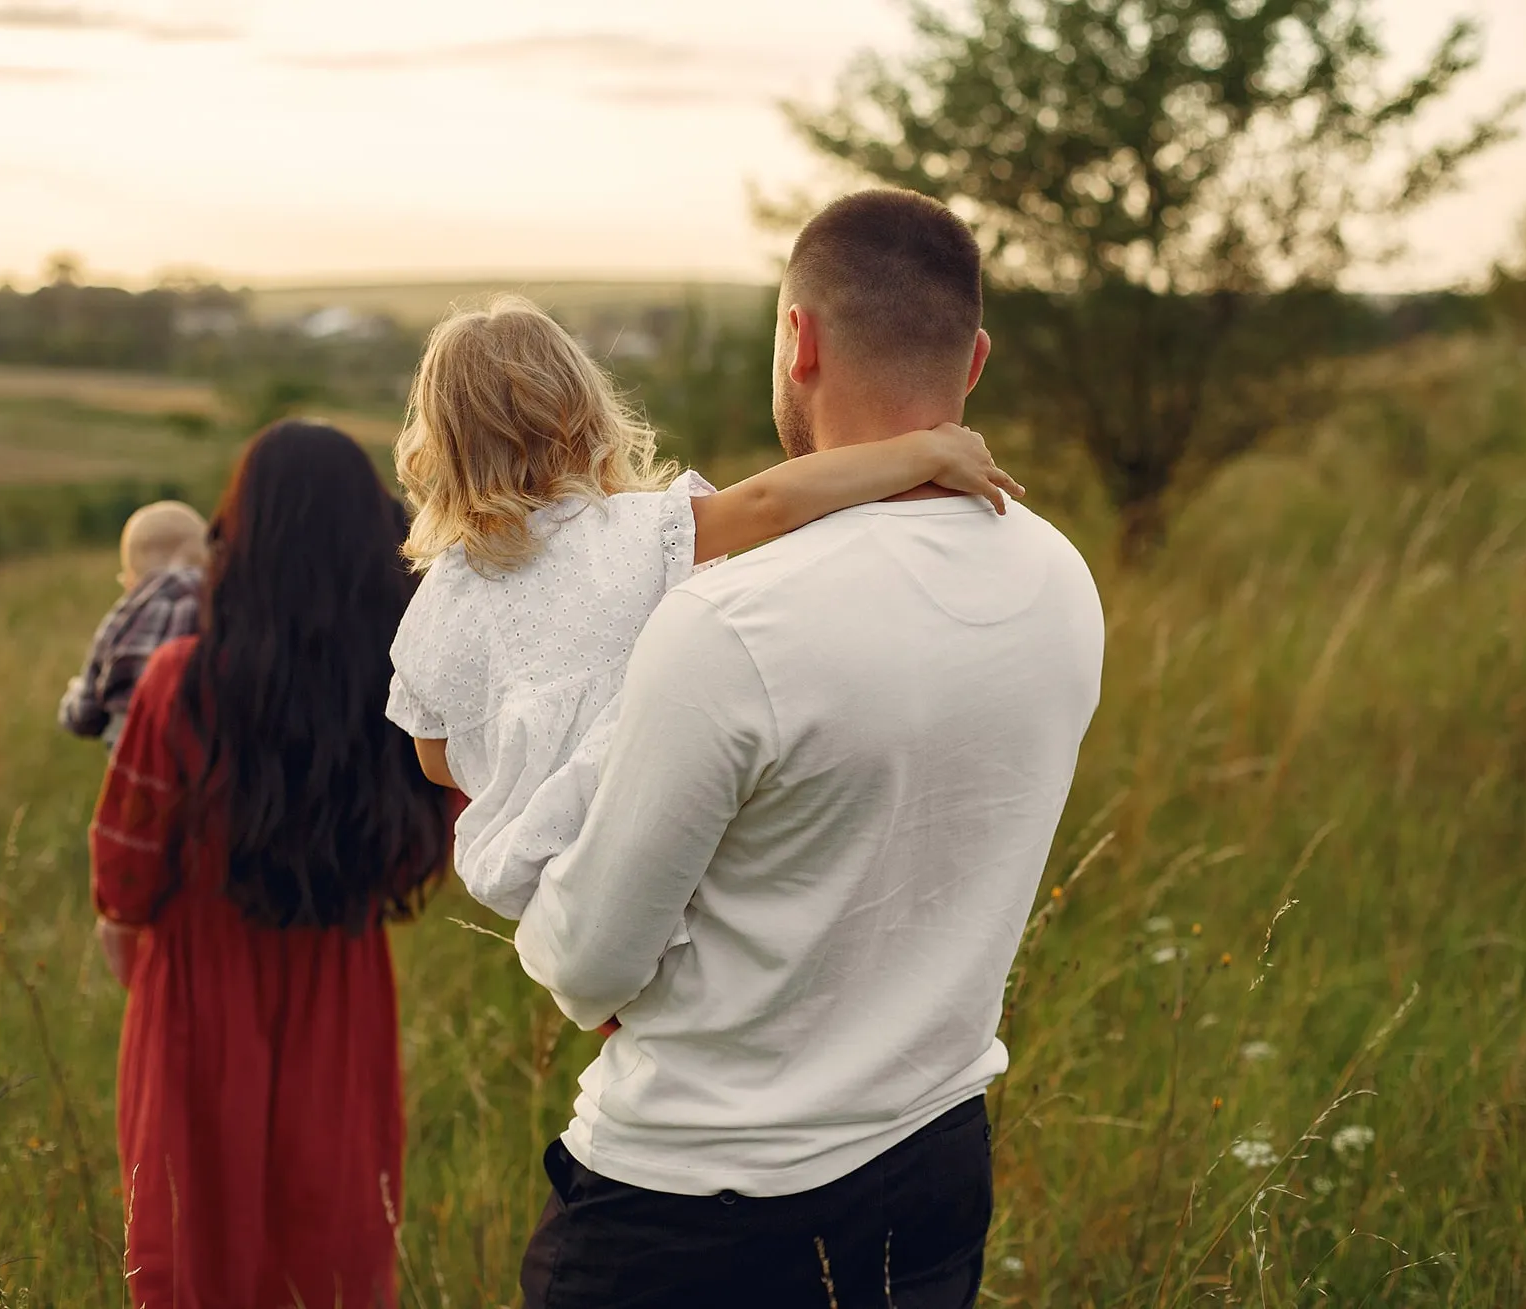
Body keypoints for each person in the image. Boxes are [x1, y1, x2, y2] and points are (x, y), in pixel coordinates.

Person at [512, 190, 1107, 1308]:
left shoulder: (731, 621)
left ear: (799, 338)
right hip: (932, 1162)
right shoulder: (1058, 578)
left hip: (692, 1213)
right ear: (971, 360)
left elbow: (586, 965)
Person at [384, 294, 1024, 921]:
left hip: (541, 879)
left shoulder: (443, 596)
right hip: (667, 847)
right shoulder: (633, 531)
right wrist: (924, 452)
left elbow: (436, 756)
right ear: (580, 413)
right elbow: (771, 503)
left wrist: (530, 748)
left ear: (441, 444)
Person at [89, 422, 454, 1309]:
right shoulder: (407, 688)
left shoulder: (178, 683)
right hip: (342, 991)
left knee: (193, 1255)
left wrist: (157, 978)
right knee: (327, 1255)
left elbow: (122, 890)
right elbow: (443, 833)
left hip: (194, 1004)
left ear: (237, 537)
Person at [58, 500, 208, 749]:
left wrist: (72, 700)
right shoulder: (228, 608)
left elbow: (85, 714)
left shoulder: (121, 621)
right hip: (208, 761)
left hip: (135, 767)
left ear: (130, 580)